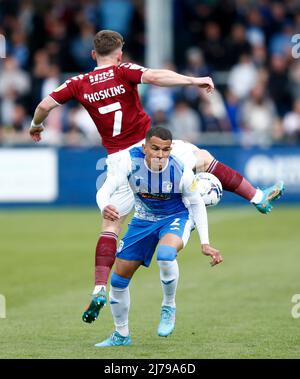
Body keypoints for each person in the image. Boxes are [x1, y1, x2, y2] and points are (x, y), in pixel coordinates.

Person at [28, 30, 215, 322]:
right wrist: (193, 80)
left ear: (93, 55)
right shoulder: (123, 70)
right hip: (146, 152)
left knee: (111, 224)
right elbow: (154, 77)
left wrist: (36, 126)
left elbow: (43, 106)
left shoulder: (78, 83)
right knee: (201, 158)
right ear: (119, 53)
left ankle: (99, 287)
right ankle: (249, 196)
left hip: (117, 160)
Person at [94, 127, 222, 347]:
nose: (160, 155)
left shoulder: (180, 170)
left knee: (165, 254)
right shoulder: (128, 162)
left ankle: (168, 306)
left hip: (175, 217)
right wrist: (104, 205)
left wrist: (205, 243)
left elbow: (197, 204)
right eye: (155, 148)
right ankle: (121, 334)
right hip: (142, 220)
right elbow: (105, 189)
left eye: (165, 150)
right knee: (118, 280)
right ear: (144, 148)